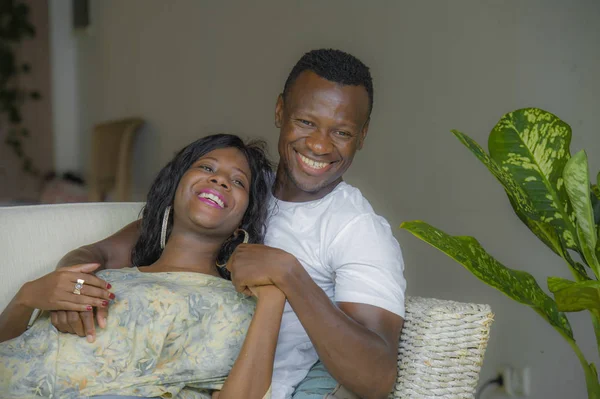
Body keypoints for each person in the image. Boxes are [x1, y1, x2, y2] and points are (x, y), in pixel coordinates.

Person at [51, 49, 407, 399]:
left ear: (362, 136)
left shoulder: (359, 230)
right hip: (149, 374)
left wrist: (291, 276)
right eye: (306, 122)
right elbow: (101, 253)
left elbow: (376, 378)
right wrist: (72, 291)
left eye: (342, 133)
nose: (318, 145)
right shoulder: (235, 187)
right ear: (280, 110)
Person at [0, 134, 280, 399]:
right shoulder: (103, 276)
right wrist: (26, 297)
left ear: (242, 222)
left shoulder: (235, 305)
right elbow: (10, 347)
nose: (220, 180)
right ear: (174, 190)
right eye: (207, 167)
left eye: (238, 182)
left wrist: (274, 295)